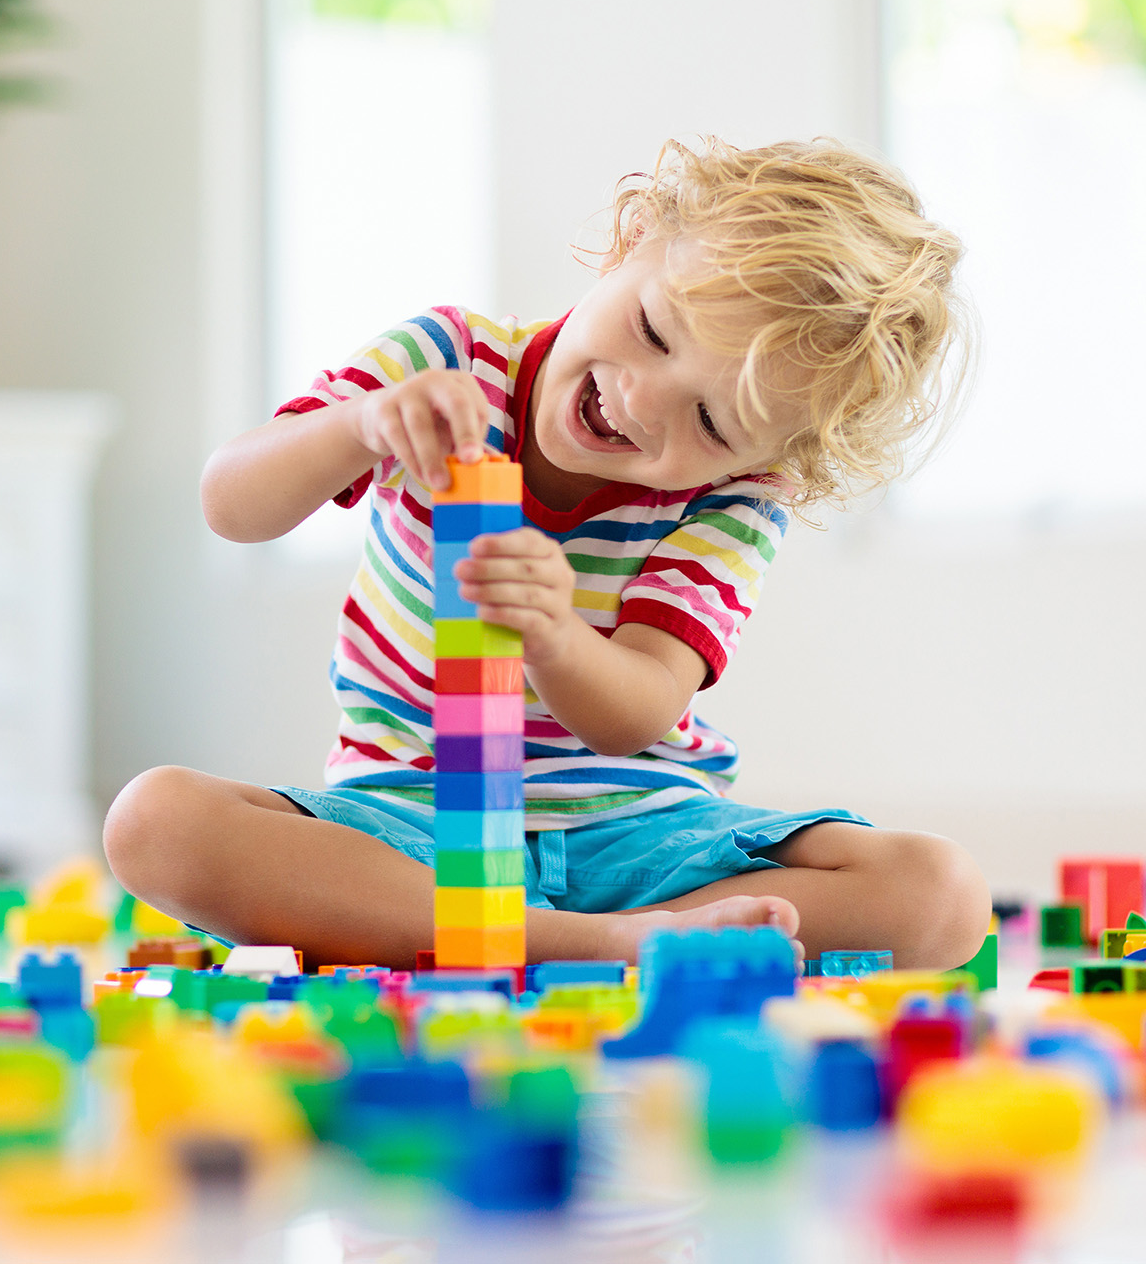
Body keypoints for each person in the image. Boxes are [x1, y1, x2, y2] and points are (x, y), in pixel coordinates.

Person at [105, 137, 990, 969]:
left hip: (637, 832)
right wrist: (359, 424)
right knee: (155, 821)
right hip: (412, 818)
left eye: (712, 421)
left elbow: (638, 707)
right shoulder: (447, 356)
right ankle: (606, 944)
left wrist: (554, 635)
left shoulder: (738, 498)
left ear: (764, 453)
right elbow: (231, 503)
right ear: (632, 240)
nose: (645, 401)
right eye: (653, 329)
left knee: (942, 894)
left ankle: (545, 931)